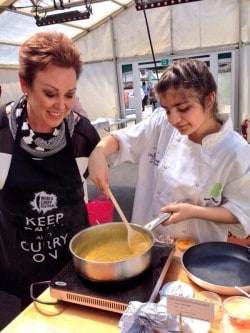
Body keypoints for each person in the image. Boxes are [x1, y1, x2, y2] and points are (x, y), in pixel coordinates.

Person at [88, 59, 250, 244]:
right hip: (148, 241)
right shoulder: (161, 124)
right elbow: (121, 139)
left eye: (183, 108)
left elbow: (242, 210)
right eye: (167, 110)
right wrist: (99, 152)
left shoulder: (236, 151)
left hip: (198, 252)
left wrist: (195, 211)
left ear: (209, 100)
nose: (174, 119)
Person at [0, 32, 99, 310]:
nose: (61, 106)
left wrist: (101, 153)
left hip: (78, 267)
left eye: (69, 95)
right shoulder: (2, 134)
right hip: (24, 274)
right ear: (24, 84)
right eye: (50, 93)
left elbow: (91, 189)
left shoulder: (82, 135)